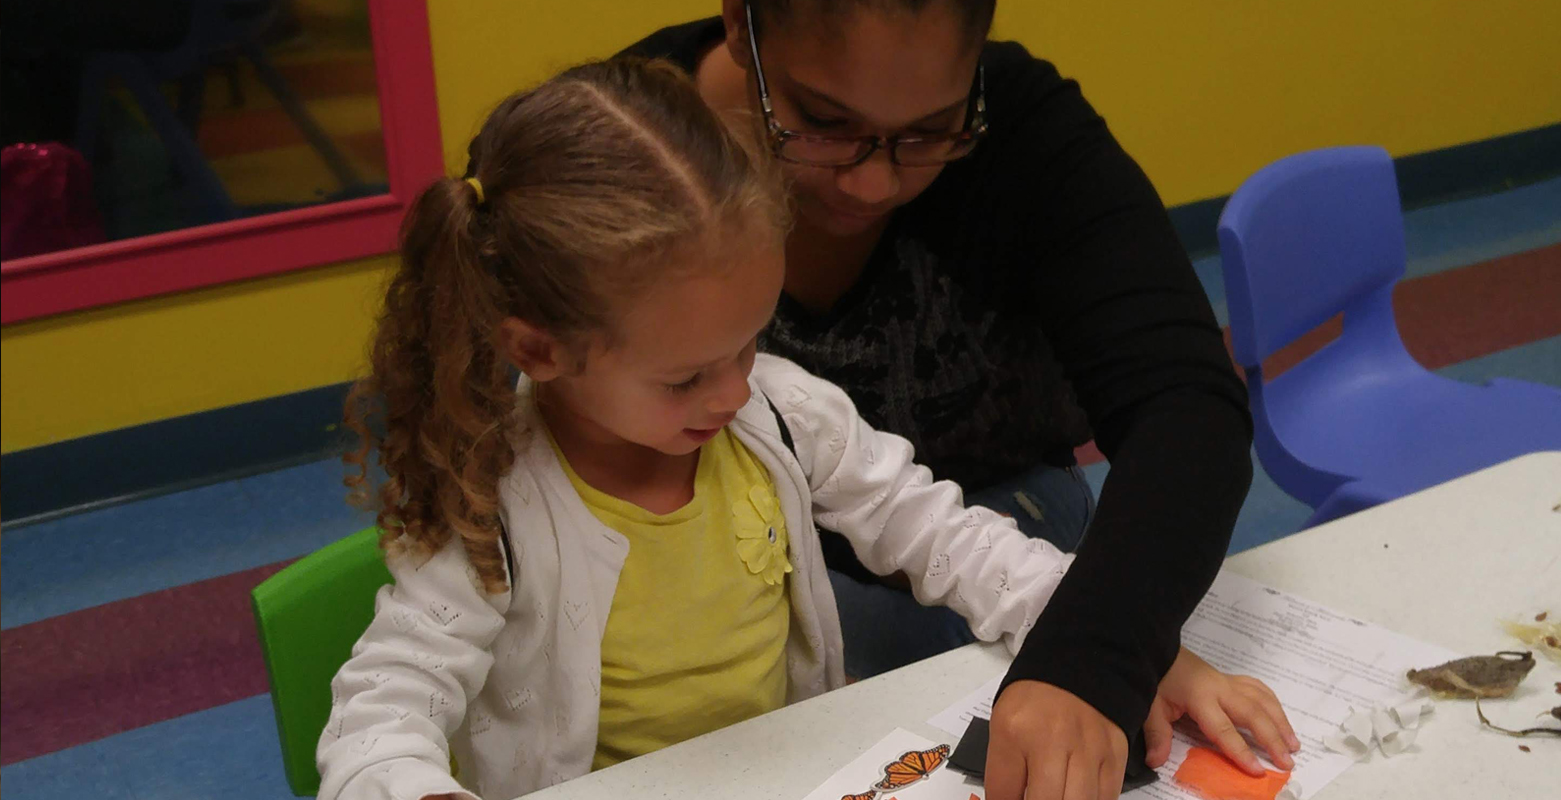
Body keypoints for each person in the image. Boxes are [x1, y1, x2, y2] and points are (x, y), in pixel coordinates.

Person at [319, 58, 1293, 800]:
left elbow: (944, 535)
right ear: (539, 350)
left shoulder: (778, 408)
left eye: (748, 342)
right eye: (686, 376)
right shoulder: (489, 497)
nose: (733, 391)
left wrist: (1111, 638)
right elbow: (381, 714)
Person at [622, 3, 1262, 796]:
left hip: (997, 527)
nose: (873, 181)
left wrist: (1102, 647)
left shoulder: (1024, 129)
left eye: (931, 132)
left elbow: (1186, 405)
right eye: (823, 121)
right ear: (740, 25)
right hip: (715, 564)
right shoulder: (614, 151)